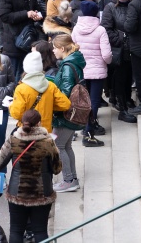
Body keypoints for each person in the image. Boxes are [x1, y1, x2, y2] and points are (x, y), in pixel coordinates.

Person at [0, 110, 61, 243]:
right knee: (40, 231)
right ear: (39, 123)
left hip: (17, 193)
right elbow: (57, 168)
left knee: (16, 230)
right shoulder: (48, 142)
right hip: (42, 193)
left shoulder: (13, 140)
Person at [46, 34, 87, 192]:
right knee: (67, 145)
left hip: (65, 115)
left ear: (62, 48)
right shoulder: (73, 62)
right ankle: (73, 179)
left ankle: (68, 180)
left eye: (55, 48)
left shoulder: (68, 66)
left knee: (58, 145)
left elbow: (65, 92)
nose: (53, 51)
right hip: (72, 114)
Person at [71, 0, 111, 145]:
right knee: (94, 101)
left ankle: (83, 127)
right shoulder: (100, 30)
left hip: (81, 70)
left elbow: (73, 50)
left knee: (83, 101)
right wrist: (108, 62)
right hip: (97, 71)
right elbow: (106, 54)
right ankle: (89, 133)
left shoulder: (76, 29)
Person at [0, 0, 43, 81]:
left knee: (24, 74)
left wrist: (37, 14)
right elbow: (4, 16)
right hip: (12, 39)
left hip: (27, 38)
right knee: (13, 74)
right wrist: (26, 14)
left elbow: (36, 7)